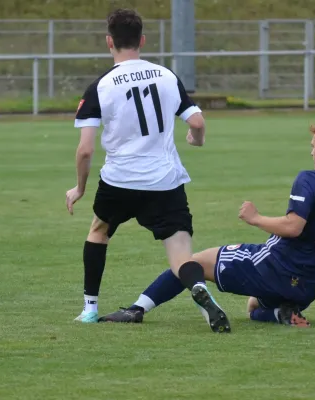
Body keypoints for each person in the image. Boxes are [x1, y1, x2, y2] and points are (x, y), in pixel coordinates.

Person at [99, 120, 315, 328]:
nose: (311, 153)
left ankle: (137, 309)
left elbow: (293, 226)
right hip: (308, 287)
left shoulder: (311, 180)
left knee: (191, 263)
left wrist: (255, 218)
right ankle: (283, 314)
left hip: (272, 267)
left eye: (313, 147)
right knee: (255, 308)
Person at [66, 8, 230, 333]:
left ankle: (89, 309)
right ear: (141, 40)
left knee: (99, 231)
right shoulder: (166, 76)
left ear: (109, 42)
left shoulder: (100, 86)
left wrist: (80, 188)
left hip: (120, 180)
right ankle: (199, 290)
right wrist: (196, 139)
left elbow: (85, 149)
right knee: (181, 254)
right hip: (165, 180)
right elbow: (196, 121)